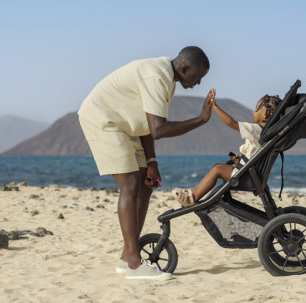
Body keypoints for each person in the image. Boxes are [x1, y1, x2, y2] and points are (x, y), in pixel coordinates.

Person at [78, 46, 212, 280]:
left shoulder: (168, 79)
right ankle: (134, 264)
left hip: (126, 126)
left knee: (146, 184)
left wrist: (152, 161)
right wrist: (200, 120)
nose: (198, 83)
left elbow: (147, 124)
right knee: (130, 185)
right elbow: (158, 129)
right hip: (104, 120)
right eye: (197, 76)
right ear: (184, 68)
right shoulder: (156, 76)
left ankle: (126, 258)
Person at [172, 91, 281, 206]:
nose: (253, 112)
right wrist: (240, 160)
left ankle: (193, 197)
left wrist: (215, 106)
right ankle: (193, 193)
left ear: (266, 114)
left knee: (217, 169)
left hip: (246, 177)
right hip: (248, 172)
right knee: (218, 166)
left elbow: (232, 123)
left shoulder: (257, 130)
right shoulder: (265, 133)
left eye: (256, 109)